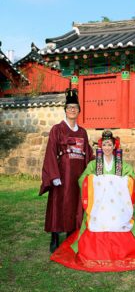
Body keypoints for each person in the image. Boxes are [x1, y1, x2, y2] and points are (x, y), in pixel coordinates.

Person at [50, 130, 135, 272]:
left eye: (110, 145)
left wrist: (122, 181)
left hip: (117, 208)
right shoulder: (94, 164)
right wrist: (94, 181)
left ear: (114, 146)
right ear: (101, 147)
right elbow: (82, 179)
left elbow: (133, 178)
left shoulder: (122, 165)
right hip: (99, 206)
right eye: (105, 145)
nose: (107, 148)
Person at [39, 88, 94, 253]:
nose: (72, 110)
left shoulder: (83, 132)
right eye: (69, 108)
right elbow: (51, 152)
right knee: (59, 203)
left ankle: (72, 234)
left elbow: (88, 154)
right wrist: (54, 175)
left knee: (75, 204)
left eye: (75, 108)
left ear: (79, 111)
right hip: (62, 173)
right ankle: (55, 236)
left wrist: (95, 168)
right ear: (65, 110)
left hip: (78, 175)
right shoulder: (57, 129)